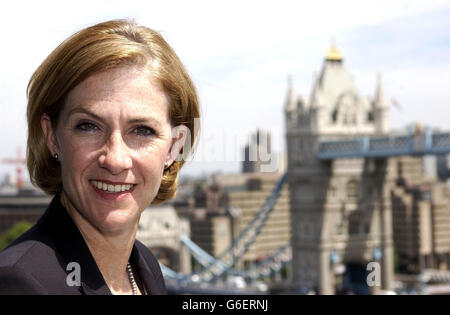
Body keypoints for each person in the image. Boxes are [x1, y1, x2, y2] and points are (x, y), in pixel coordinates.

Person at [0, 19, 200, 295]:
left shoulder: (145, 268)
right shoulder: (19, 283)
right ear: (51, 136)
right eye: (89, 126)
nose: (116, 159)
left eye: (142, 130)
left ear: (175, 146)